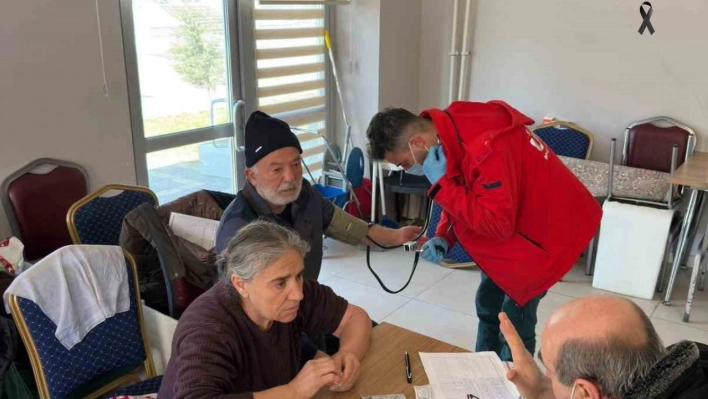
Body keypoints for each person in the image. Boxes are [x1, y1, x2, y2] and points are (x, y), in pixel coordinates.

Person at [365, 101, 602, 360]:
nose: (406, 170)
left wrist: (442, 184)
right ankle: (482, 372)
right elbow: (464, 187)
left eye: (404, 163)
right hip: (516, 223)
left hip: (546, 234)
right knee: (488, 305)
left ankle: (512, 384)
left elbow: (496, 224)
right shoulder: (450, 127)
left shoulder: (486, 149)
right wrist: (444, 235)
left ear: (417, 142)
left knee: (514, 323)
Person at [158, 220, 372, 399]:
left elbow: (354, 317)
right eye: (280, 283)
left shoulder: (296, 294)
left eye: (298, 275)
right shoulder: (209, 328)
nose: (297, 293)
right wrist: (294, 391)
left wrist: (348, 353)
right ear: (240, 284)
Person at [216, 111, 421, 281]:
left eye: (296, 165)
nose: (290, 177)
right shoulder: (239, 228)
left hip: (307, 307)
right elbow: (241, 307)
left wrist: (399, 236)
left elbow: (354, 230)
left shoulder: (306, 196)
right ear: (251, 175)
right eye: (277, 170)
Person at [499, 295, 708, 399]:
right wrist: (547, 393)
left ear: (586, 393)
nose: (547, 378)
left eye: (550, 372)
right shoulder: (692, 365)